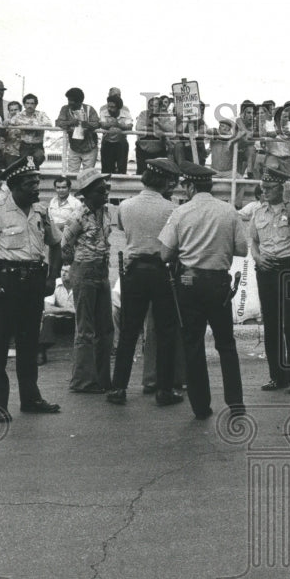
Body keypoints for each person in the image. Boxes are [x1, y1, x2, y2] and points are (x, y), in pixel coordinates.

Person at [0, 155, 62, 421]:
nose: (37, 187)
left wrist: (52, 277)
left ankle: (31, 398)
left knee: (30, 344)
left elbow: (56, 244)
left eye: (38, 181)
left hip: (33, 283)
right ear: (17, 185)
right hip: (6, 285)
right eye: (31, 183)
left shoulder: (41, 211)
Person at [158, 161, 247, 419]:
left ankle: (200, 406)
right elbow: (241, 249)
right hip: (218, 282)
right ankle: (236, 402)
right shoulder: (228, 211)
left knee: (193, 344)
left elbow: (165, 253)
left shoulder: (180, 212)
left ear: (189, 186)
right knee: (226, 344)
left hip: (188, 282)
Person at [107, 158, 183, 406]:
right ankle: (164, 389)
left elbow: (123, 231)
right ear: (166, 181)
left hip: (134, 271)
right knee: (165, 332)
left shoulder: (126, 206)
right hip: (162, 271)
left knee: (129, 331)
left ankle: (118, 387)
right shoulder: (173, 209)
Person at [248, 165, 290, 392]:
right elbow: (253, 241)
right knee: (271, 324)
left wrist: (286, 202)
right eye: (262, 187)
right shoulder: (258, 211)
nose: (264, 191)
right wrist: (257, 259)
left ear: (282, 188)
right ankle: (277, 376)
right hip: (267, 268)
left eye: (269, 188)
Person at [61, 168, 114, 394]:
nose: (106, 194)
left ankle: (103, 378)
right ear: (88, 193)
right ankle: (83, 381)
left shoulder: (107, 212)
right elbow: (64, 246)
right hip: (83, 272)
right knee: (85, 330)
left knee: (106, 328)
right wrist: (79, 263)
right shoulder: (77, 217)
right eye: (102, 191)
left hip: (102, 272)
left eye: (106, 189)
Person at [38, 263, 75, 366]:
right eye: (62, 270)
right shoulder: (54, 284)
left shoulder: (80, 285)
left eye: (67, 271)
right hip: (60, 319)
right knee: (48, 318)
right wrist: (67, 309)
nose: (63, 274)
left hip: (77, 320)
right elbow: (47, 307)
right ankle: (41, 351)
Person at [55, 88, 100, 172]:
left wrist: (88, 125)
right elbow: (58, 122)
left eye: (72, 101)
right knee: (72, 174)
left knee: (88, 175)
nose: (69, 103)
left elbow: (97, 123)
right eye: (69, 100)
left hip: (89, 148)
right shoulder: (65, 109)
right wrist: (70, 122)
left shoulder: (89, 109)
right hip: (74, 147)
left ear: (79, 101)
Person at [9, 94, 51, 165]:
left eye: (32, 103)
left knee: (39, 158)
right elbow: (10, 122)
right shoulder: (19, 115)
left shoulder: (41, 114)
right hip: (25, 145)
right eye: (27, 103)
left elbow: (49, 124)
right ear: (24, 105)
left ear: (36, 105)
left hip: (37, 145)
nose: (29, 106)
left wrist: (31, 126)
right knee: (26, 164)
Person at [99, 94, 133, 174]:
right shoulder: (104, 112)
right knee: (106, 169)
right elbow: (103, 125)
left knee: (121, 168)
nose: (109, 109)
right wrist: (120, 126)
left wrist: (117, 124)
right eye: (108, 106)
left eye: (112, 107)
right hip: (107, 142)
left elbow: (130, 126)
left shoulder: (126, 113)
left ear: (118, 107)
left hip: (121, 143)